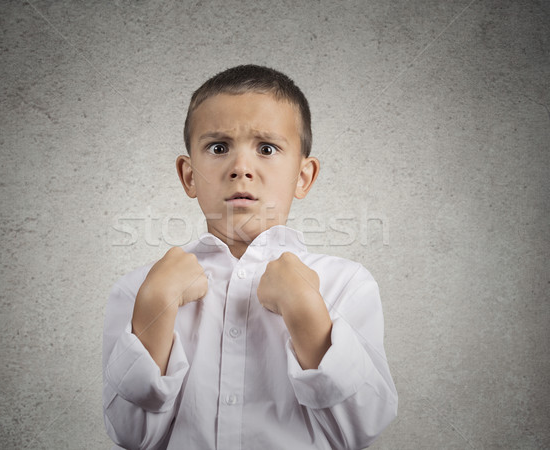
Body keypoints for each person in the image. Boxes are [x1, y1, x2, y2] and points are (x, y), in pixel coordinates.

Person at [102, 65, 398, 450]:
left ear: (303, 177)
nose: (241, 168)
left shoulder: (346, 285)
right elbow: (131, 435)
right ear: (189, 176)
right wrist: (154, 307)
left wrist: (308, 311)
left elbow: (360, 429)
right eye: (219, 147)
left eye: (267, 148)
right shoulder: (138, 291)